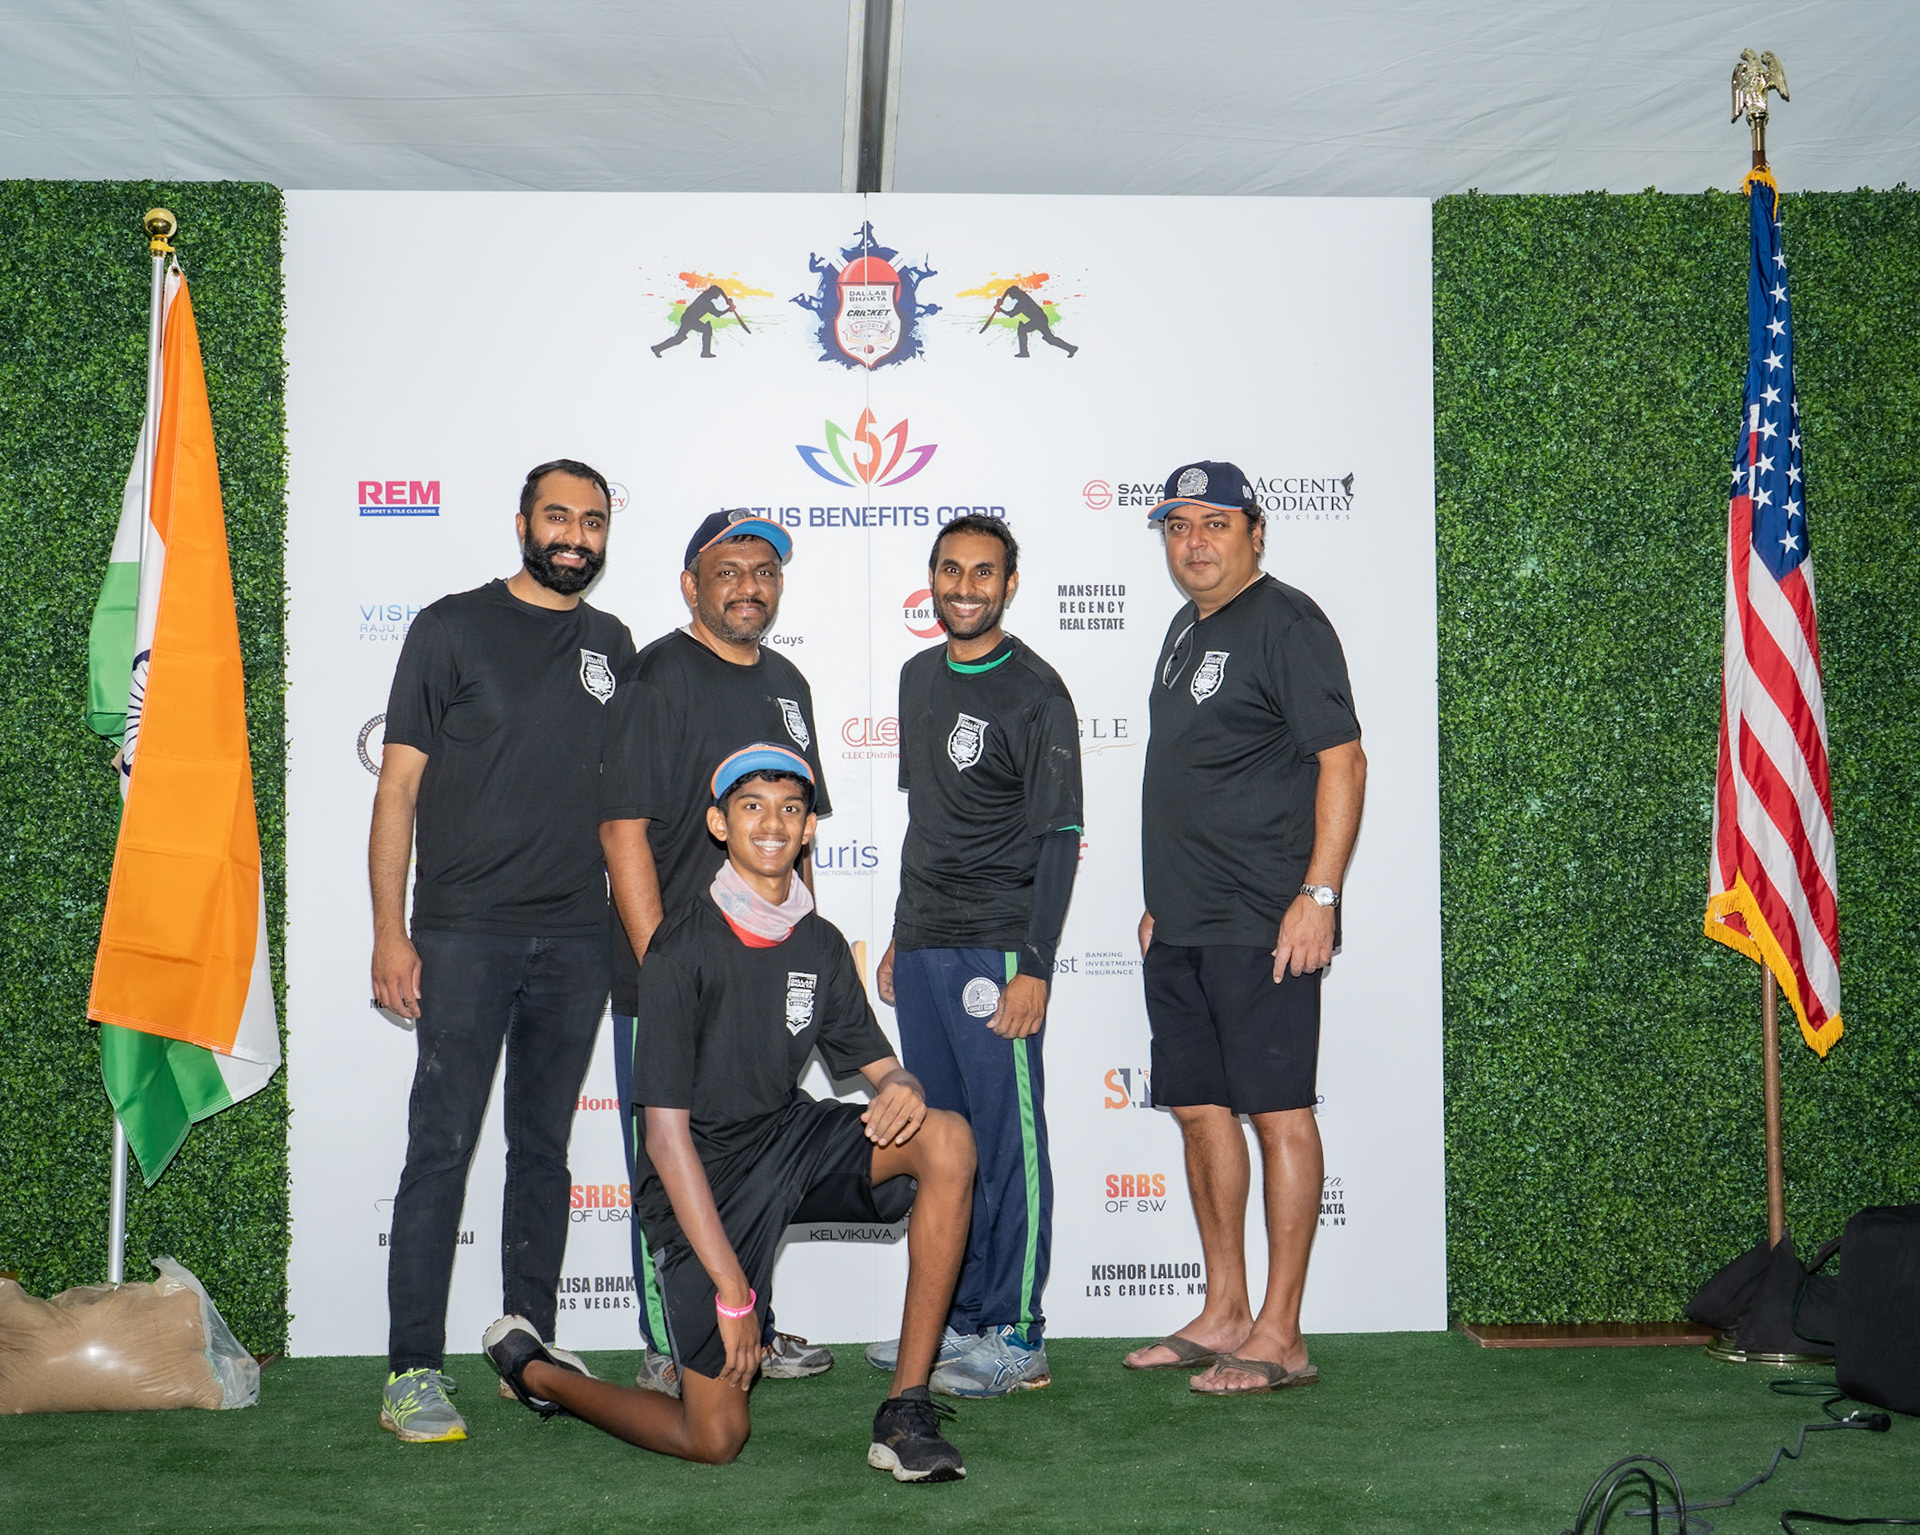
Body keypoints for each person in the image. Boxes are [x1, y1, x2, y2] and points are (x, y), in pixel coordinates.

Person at [485, 747, 978, 1482]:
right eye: (752, 806)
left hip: (785, 1140)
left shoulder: (820, 941)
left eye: (789, 808)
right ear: (720, 823)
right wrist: (735, 1294)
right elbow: (664, 1138)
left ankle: (905, 1409)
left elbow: (881, 1066)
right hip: (698, 1180)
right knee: (714, 1436)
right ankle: (540, 1373)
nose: (772, 823)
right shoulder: (679, 948)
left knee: (947, 1138)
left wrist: (901, 1083)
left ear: (809, 827)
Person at [369, 459, 635, 1442]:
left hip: (578, 937)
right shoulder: (450, 627)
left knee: (544, 1150)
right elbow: (397, 788)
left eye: (592, 521)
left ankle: (531, 1354)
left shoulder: (614, 643)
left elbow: (628, 806)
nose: (575, 535)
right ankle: (411, 1370)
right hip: (462, 932)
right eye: (558, 516)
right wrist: (389, 930)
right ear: (523, 522)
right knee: (440, 1147)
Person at [1122, 460, 1366, 1396]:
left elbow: (1343, 762)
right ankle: (1225, 1309)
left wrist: (1320, 895)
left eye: (1215, 523)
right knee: (1199, 1110)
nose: (1194, 541)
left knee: (1278, 1113)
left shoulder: (1288, 622)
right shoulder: (1185, 627)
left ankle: (1282, 1332)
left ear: (1255, 532)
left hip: (1264, 919)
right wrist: (1163, 895)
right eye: (1178, 524)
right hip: (1183, 920)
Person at [599, 509, 835, 1391]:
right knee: (670, 1162)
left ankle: (753, 1325)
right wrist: (665, 970)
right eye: (728, 570)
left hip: (767, 981)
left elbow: (799, 839)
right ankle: (671, 1342)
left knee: (757, 1158)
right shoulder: (657, 675)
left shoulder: (789, 682)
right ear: (690, 585)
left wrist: (811, 958)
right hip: (676, 978)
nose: (748, 585)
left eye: (764, 570)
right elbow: (623, 831)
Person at [867, 516, 1082, 1396]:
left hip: (997, 945)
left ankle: (1018, 1333)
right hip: (924, 940)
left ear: (1010, 583)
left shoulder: (1037, 690)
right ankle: (954, 1319)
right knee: (943, 1141)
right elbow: (928, 820)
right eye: (952, 570)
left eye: (983, 572)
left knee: (1007, 1141)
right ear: (933, 577)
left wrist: (1036, 964)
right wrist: (900, 928)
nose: (966, 587)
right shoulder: (917, 676)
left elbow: (1059, 838)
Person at [980, 284, 1077, 359]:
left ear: (1015, 294)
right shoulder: (1022, 295)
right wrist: (1002, 300)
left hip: (1038, 320)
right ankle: (1071, 348)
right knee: (1026, 329)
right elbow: (1009, 289)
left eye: (1012, 295)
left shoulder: (1022, 303)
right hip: (1039, 318)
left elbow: (1011, 314)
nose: (1011, 297)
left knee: (1047, 338)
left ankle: (1024, 352)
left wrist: (1000, 310)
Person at [652, 284, 748, 358]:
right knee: (706, 328)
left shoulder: (705, 297)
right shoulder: (706, 302)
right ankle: (705, 352)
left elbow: (719, 289)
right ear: (712, 293)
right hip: (690, 320)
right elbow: (717, 314)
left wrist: (727, 301)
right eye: (716, 295)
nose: (717, 296)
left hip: (687, 318)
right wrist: (728, 309)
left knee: (679, 338)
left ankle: (657, 348)